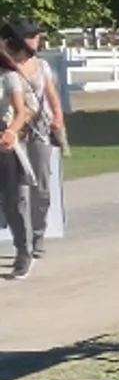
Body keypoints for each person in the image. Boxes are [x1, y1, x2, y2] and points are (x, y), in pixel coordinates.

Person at [2, 20, 66, 264]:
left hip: (39, 129)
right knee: (19, 189)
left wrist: (58, 116)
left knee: (41, 186)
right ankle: (25, 241)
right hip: (14, 131)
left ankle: (39, 235)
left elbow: (51, 94)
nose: (37, 40)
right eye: (33, 36)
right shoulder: (7, 68)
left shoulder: (41, 66)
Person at [0, 40, 36, 279]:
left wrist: (11, 131)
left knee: (11, 201)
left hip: (3, 140)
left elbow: (21, 111)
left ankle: (23, 251)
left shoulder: (8, 77)